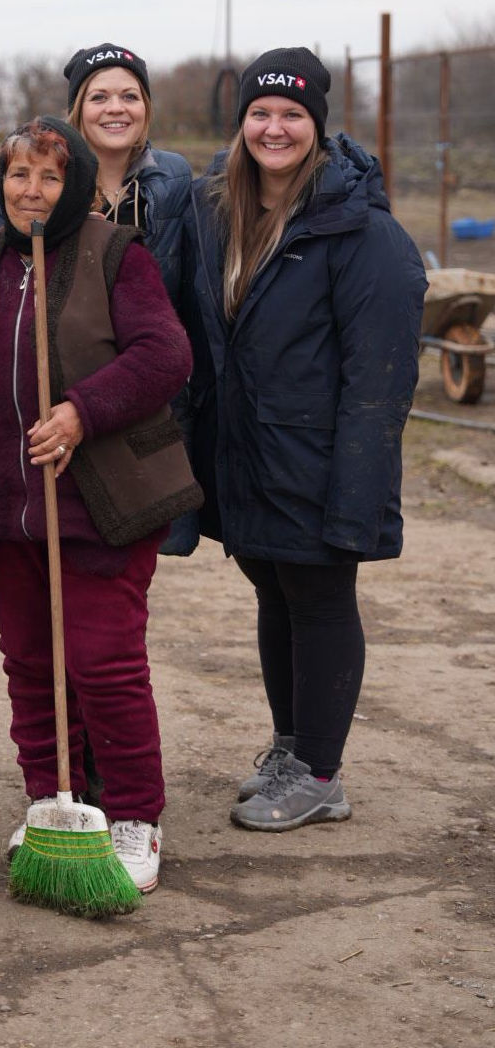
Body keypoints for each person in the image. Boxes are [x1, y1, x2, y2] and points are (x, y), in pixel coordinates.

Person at [0, 117, 202, 893]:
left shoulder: (116, 253)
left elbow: (165, 354)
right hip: (3, 504)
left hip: (98, 499)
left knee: (104, 663)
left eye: (49, 177)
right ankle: (53, 799)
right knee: (31, 666)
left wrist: (82, 410)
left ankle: (136, 815)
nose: (32, 192)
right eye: (18, 176)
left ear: (73, 183)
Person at [182, 48, 426, 831]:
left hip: (320, 460)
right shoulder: (221, 211)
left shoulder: (363, 234)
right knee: (275, 590)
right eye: (260, 112)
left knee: (319, 597)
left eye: (292, 114)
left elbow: (378, 383)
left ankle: (321, 773)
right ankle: (292, 748)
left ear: (318, 126)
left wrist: (355, 496)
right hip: (253, 456)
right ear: (242, 122)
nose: (274, 127)